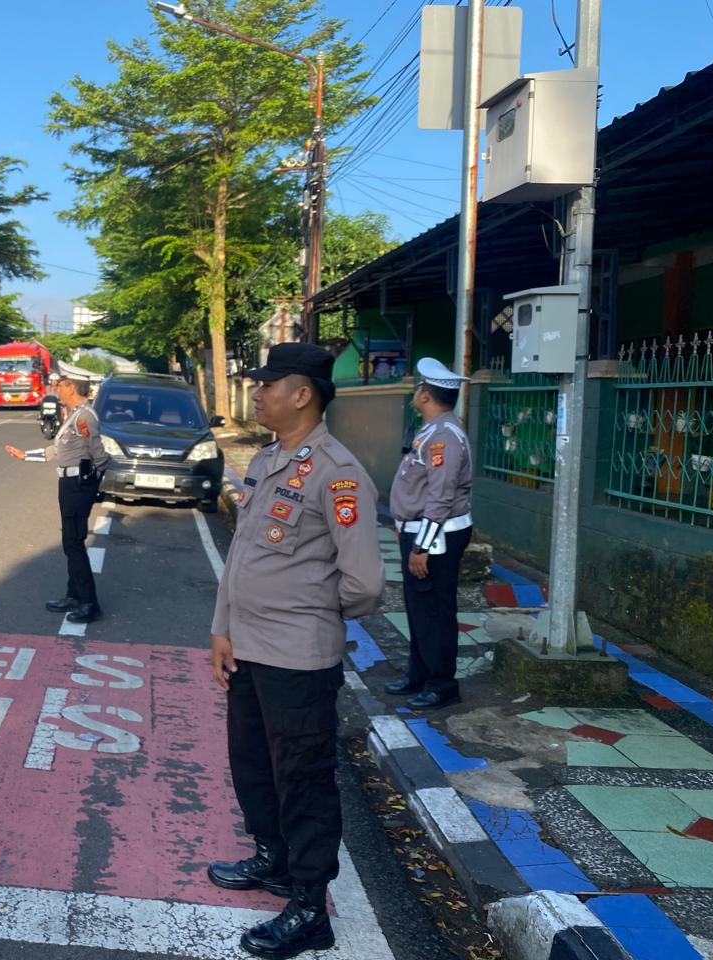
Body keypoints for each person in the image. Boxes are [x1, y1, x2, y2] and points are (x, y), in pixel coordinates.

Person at [207, 342, 384, 960]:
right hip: (247, 648)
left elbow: (365, 584)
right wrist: (223, 627)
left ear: (303, 394)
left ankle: (310, 908)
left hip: (298, 658)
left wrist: (306, 613)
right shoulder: (266, 459)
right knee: (252, 762)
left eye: (268, 385)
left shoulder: (339, 473)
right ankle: (273, 858)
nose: (257, 394)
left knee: (303, 780)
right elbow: (241, 556)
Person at [385, 357, 474, 711]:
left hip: (436, 537)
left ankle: (441, 685)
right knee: (419, 609)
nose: (416, 392)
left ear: (425, 395)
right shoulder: (433, 430)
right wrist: (404, 528)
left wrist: (421, 546)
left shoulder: (444, 438)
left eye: (420, 387)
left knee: (435, 611)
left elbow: (440, 496)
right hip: (421, 531)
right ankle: (419, 675)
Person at [4, 375, 109, 624]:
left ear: (71, 388)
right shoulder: (74, 416)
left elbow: (98, 454)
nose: (56, 390)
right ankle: (74, 595)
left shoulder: (84, 418)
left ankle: (90, 603)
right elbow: (59, 450)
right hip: (69, 483)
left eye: (59, 386)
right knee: (71, 542)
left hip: (77, 485)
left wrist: (92, 482)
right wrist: (25, 455)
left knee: (73, 543)